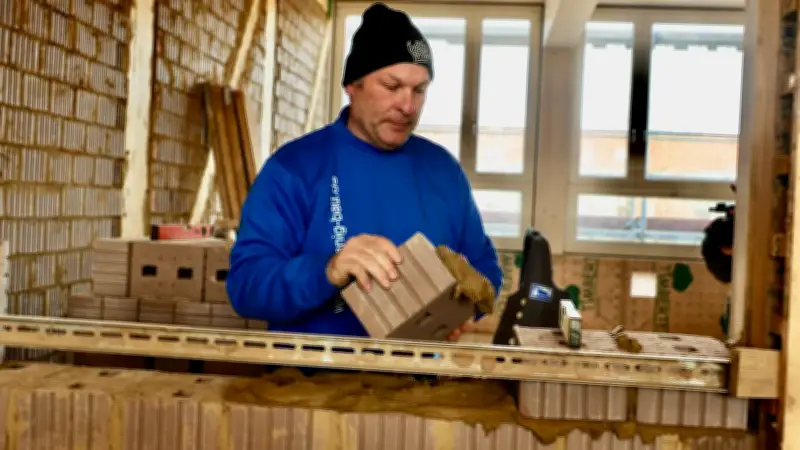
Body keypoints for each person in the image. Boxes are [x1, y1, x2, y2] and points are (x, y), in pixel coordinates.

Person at [226, 2, 504, 342]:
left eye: (419, 90)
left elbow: (485, 269)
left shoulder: (443, 170)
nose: (408, 106)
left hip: (421, 384)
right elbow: (246, 287)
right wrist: (327, 271)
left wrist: (463, 307)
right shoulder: (293, 169)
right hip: (309, 383)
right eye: (392, 86)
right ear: (352, 85)